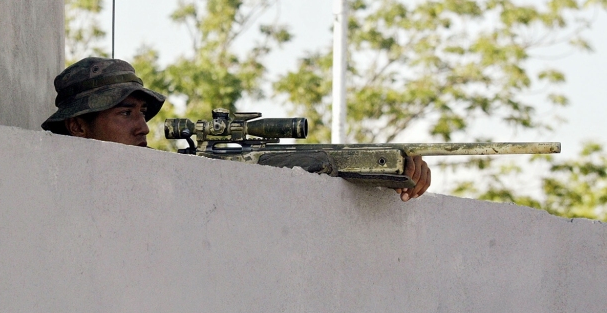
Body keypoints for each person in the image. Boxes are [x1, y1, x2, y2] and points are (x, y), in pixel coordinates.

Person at [43, 56, 431, 201]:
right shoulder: (52, 190)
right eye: (125, 114)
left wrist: (391, 172)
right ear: (78, 125)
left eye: (143, 113)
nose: (143, 127)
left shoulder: (172, 182)